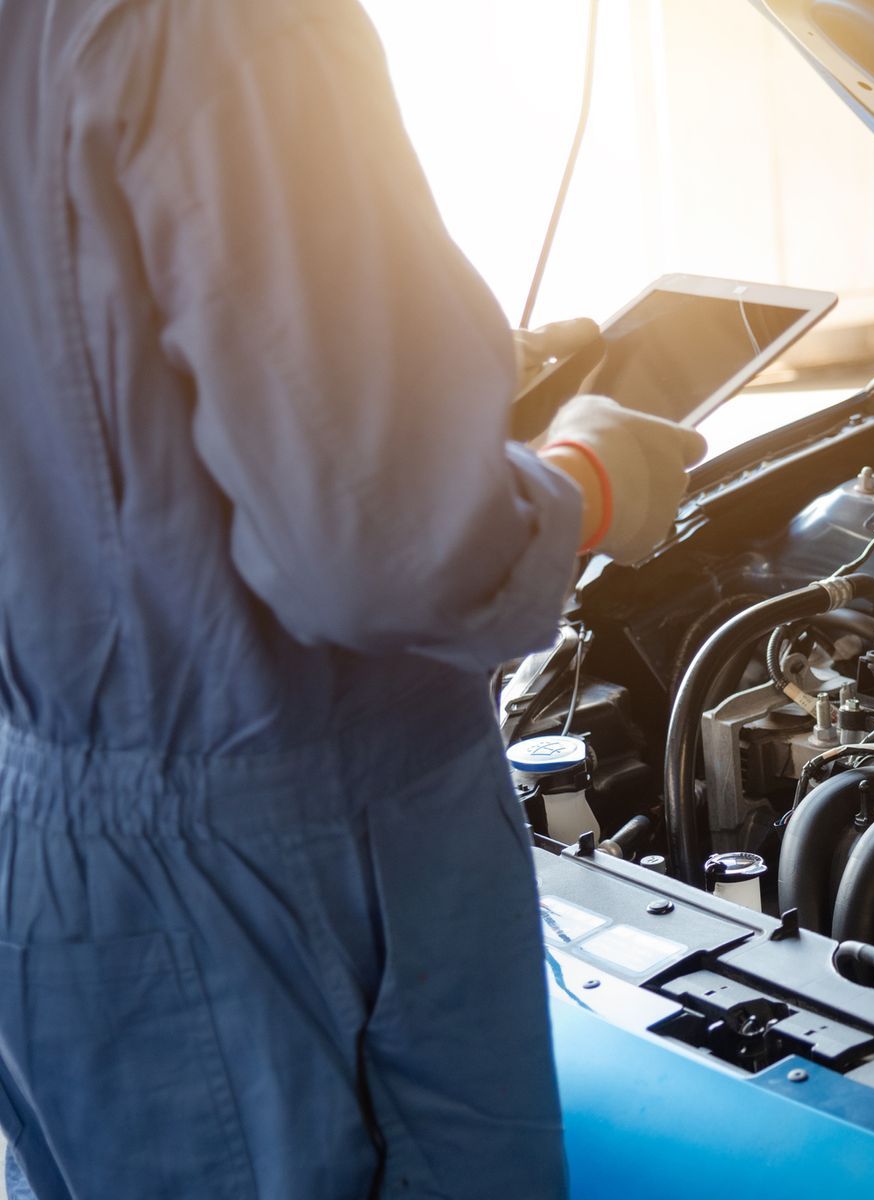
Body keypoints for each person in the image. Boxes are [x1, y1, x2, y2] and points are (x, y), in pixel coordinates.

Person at [0, 0, 704, 1195]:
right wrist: (588, 480)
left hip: (48, 831)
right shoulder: (230, 23)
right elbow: (386, 557)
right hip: (287, 873)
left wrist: (380, 389)